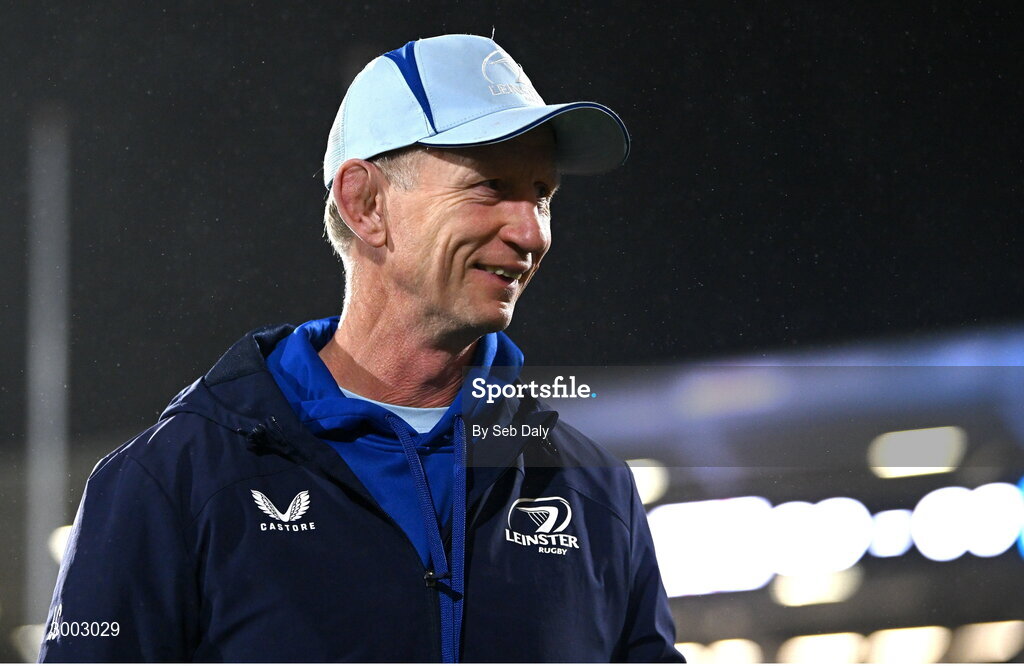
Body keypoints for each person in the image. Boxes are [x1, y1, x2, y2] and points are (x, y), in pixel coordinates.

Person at [39, 34, 683, 662]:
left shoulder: (595, 492)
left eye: (543, 195)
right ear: (365, 203)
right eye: (491, 186)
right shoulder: (172, 481)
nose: (530, 232)